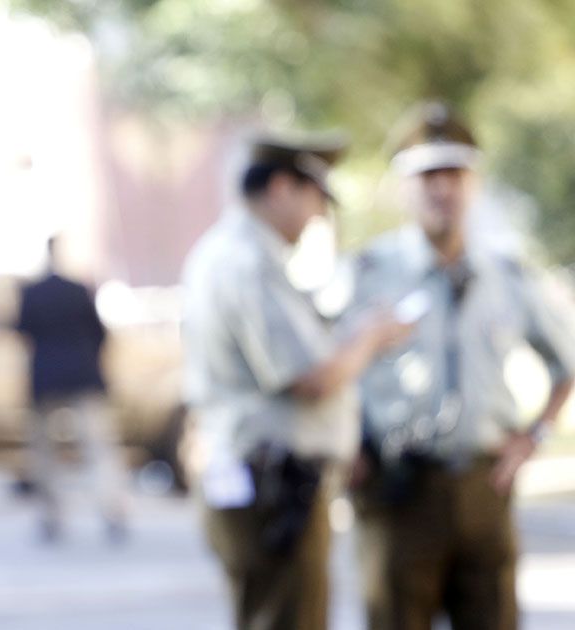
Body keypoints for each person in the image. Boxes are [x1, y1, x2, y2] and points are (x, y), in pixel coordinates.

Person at [350, 102, 575, 630]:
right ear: (405, 185)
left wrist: (534, 436)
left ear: (473, 182)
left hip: (484, 486)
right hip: (400, 487)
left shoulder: (507, 272)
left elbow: (567, 363)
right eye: (428, 175)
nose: (442, 189)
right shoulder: (369, 273)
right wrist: (349, 446)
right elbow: (330, 372)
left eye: (454, 173)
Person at [180, 133, 411, 630]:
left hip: (258, 475)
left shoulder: (226, 252)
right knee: (289, 617)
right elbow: (310, 378)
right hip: (274, 482)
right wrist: (371, 338)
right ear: (283, 187)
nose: (318, 218)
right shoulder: (249, 260)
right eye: (316, 200)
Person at [16, 236, 129, 542]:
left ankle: (52, 517)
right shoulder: (78, 290)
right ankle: (112, 512)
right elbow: (100, 333)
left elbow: (22, 332)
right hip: (83, 375)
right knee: (98, 450)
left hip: (46, 379)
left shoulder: (32, 293)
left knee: (45, 453)